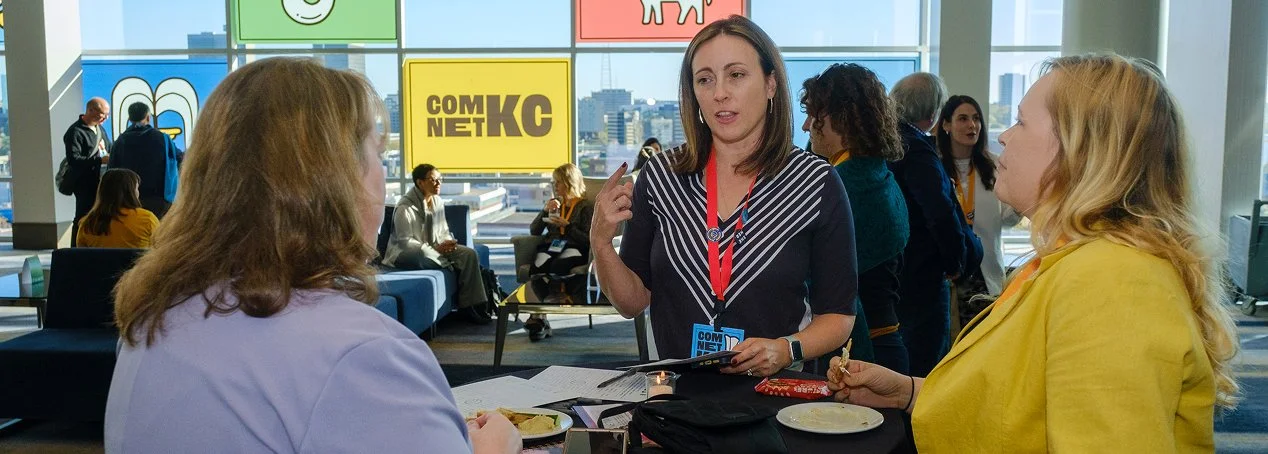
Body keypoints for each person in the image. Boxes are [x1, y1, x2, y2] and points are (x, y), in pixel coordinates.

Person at [828, 53, 1240, 452]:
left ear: (1081, 150)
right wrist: (909, 392)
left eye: (1022, 122)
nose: (1004, 135)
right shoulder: (1081, 262)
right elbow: (1024, 403)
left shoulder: (1113, 280)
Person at [106, 57, 521, 454]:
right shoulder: (364, 355)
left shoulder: (153, 319)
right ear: (339, 181)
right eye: (378, 153)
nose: (382, 171)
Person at [593, 15, 857, 377]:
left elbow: (839, 316)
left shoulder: (814, 183)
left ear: (770, 84)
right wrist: (601, 243)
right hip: (678, 400)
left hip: (775, 401)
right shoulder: (661, 178)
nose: (719, 92)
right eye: (705, 79)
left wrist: (786, 348)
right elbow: (631, 302)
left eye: (736, 75)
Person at [800, 63, 911, 374]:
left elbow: (812, 276)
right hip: (886, 341)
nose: (807, 126)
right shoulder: (880, 176)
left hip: (862, 354)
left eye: (813, 115)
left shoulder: (844, 187)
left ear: (841, 118)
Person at [887, 72, 980, 377]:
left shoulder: (881, 143)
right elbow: (939, 211)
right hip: (923, 277)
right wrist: (955, 261)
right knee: (925, 370)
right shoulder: (917, 148)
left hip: (892, 274)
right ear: (934, 113)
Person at [933, 95, 1021, 326]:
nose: (972, 125)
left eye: (976, 119)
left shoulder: (995, 166)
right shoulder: (933, 168)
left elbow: (1008, 219)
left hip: (985, 273)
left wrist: (1025, 197)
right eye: (962, 119)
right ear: (946, 125)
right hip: (948, 274)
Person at [384, 164, 489, 315]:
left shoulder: (438, 202)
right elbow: (405, 243)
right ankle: (448, 264)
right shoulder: (405, 207)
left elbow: (444, 231)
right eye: (434, 180)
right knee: (423, 253)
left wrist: (447, 242)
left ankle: (471, 306)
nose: (439, 183)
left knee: (469, 254)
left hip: (436, 249)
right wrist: (434, 250)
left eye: (440, 179)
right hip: (409, 253)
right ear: (420, 182)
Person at [524, 163, 595, 340]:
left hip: (574, 248)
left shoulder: (585, 207)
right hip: (551, 247)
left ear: (569, 182)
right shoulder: (555, 205)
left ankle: (544, 314)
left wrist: (568, 226)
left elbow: (588, 238)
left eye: (558, 182)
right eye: (554, 183)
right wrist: (544, 211)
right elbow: (534, 230)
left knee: (558, 266)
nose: (555, 186)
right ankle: (539, 316)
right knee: (537, 268)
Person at [109, 102, 184, 219]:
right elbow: (179, 158)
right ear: (148, 117)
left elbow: (112, 170)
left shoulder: (120, 141)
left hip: (128, 199)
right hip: (158, 199)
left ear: (129, 118)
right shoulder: (162, 138)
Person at [64, 97, 113, 246]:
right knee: (82, 216)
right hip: (84, 183)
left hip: (101, 182)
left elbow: (109, 148)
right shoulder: (75, 132)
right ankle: (76, 249)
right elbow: (74, 160)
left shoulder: (100, 128)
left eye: (107, 115)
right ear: (90, 110)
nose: (105, 118)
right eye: (102, 114)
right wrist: (99, 161)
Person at [75, 169, 159, 248]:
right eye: (137, 188)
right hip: (137, 264)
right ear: (131, 191)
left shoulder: (87, 224)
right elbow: (160, 249)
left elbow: (82, 258)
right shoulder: (147, 219)